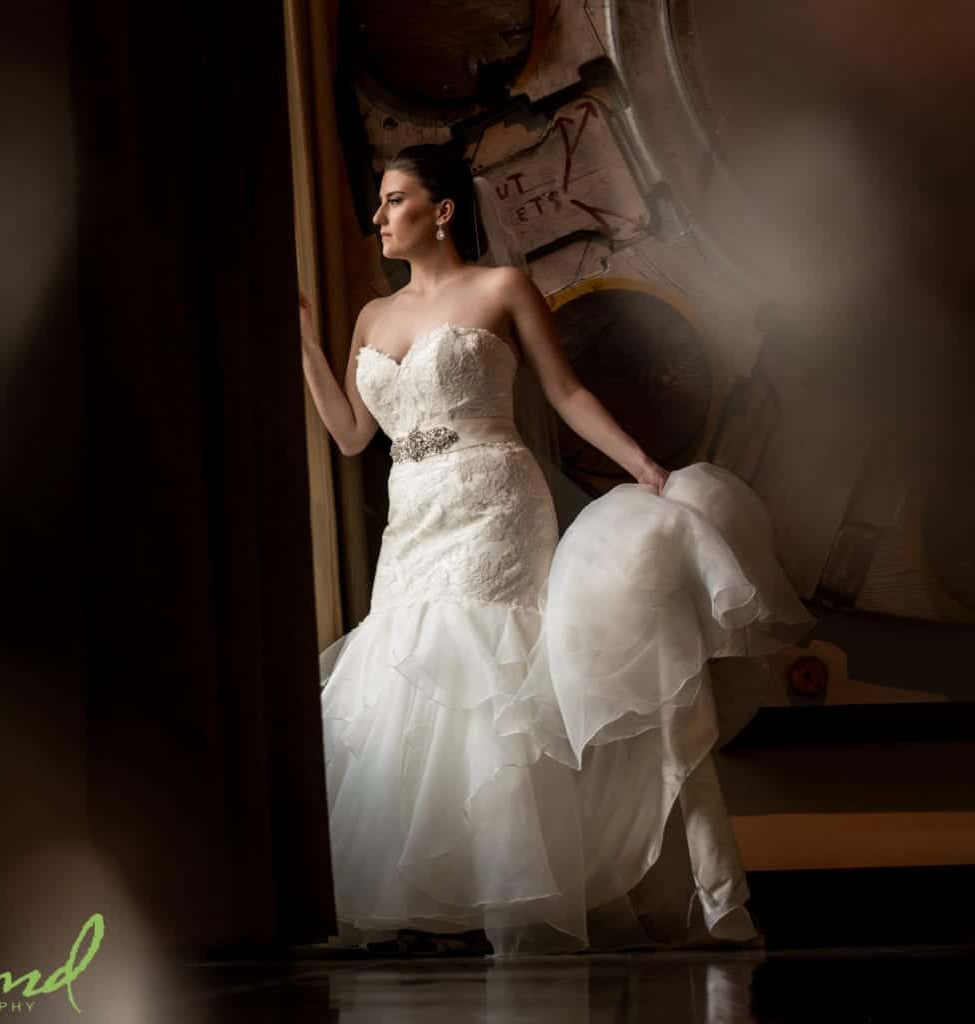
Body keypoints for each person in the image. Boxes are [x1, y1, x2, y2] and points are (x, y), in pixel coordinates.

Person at [297, 144, 813, 955]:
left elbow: (566, 392)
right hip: (413, 515)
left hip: (493, 502)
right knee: (410, 669)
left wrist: (643, 467)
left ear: (442, 211)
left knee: (490, 668)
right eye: (379, 202)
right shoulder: (371, 316)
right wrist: (303, 342)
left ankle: (523, 892)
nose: (378, 216)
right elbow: (354, 435)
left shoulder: (501, 288)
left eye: (394, 200)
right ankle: (447, 889)